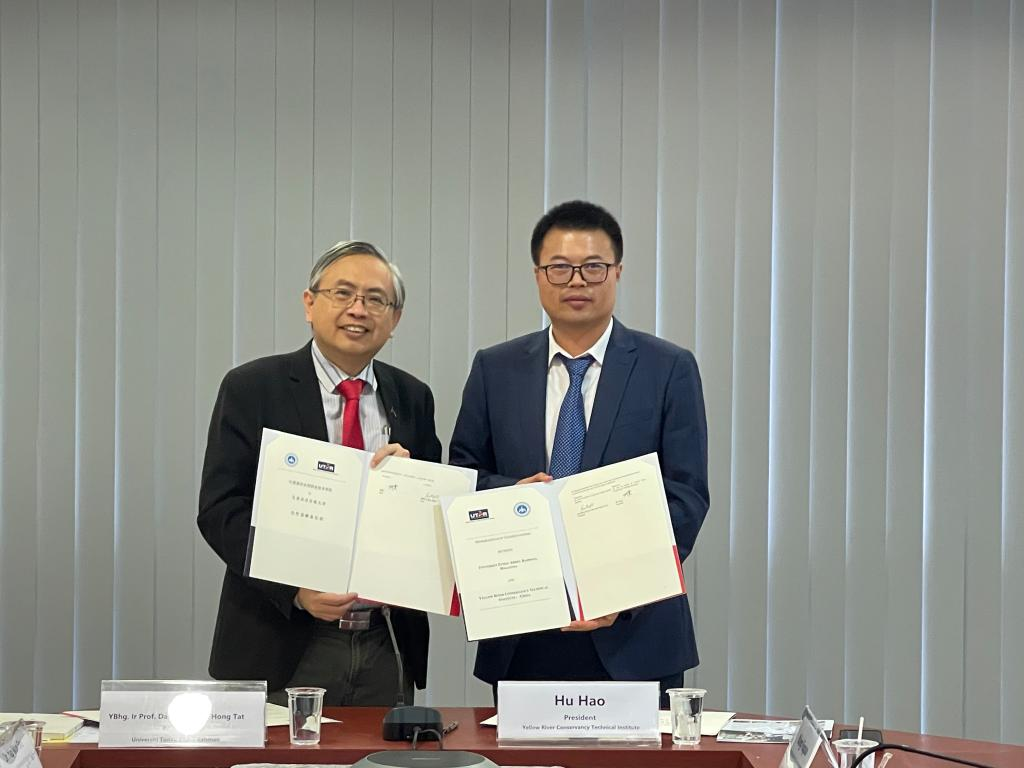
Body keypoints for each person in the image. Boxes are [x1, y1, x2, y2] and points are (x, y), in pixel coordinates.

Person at [449, 200, 710, 700]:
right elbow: (465, 480)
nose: (576, 281)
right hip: (523, 630)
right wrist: (514, 495)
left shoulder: (667, 368)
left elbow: (685, 495)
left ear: (618, 272)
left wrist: (620, 591)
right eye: (559, 268)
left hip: (635, 633)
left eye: (593, 267)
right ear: (537, 275)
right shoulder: (495, 369)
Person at [198, 240, 441, 706]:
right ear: (309, 304)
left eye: (376, 299)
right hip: (280, 638)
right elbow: (221, 510)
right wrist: (294, 590)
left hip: (385, 642)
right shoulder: (253, 387)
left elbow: (432, 516)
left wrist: (412, 487)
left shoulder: (413, 397)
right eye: (342, 293)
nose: (358, 309)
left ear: (394, 319)